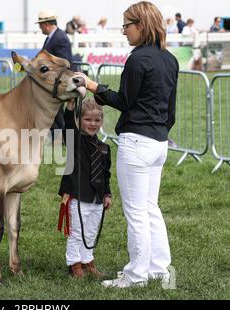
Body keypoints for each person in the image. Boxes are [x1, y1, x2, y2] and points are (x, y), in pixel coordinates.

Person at [76, 1, 178, 288]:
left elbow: (124, 101)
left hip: (137, 142)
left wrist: (95, 87)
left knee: (136, 212)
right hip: (159, 143)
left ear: (141, 26)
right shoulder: (170, 59)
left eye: (126, 25)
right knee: (150, 208)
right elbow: (171, 110)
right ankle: (158, 268)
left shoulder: (137, 59)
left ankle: (135, 276)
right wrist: (159, 132)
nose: (123, 31)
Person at [58, 98, 112, 279]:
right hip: (77, 195)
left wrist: (107, 194)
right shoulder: (75, 141)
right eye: (88, 119)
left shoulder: (104, 148)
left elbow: (106, 174)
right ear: (79, 121)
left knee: (90, 232)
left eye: (97, 120)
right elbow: (67, 124)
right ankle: (74, 264)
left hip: (96, 198)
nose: (92, 124)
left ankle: (88, 261)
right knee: (77, 232)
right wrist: (71, 106)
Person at [36, 9, 73, 143]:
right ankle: (57, 140)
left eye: (40, 24)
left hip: (59, 84)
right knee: (54, 113)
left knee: (57, 114)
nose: (40, 27)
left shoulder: (60, 38)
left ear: (46, 24)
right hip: (53, 84)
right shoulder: (51, 38)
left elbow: (64, 63)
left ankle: (61, 140)